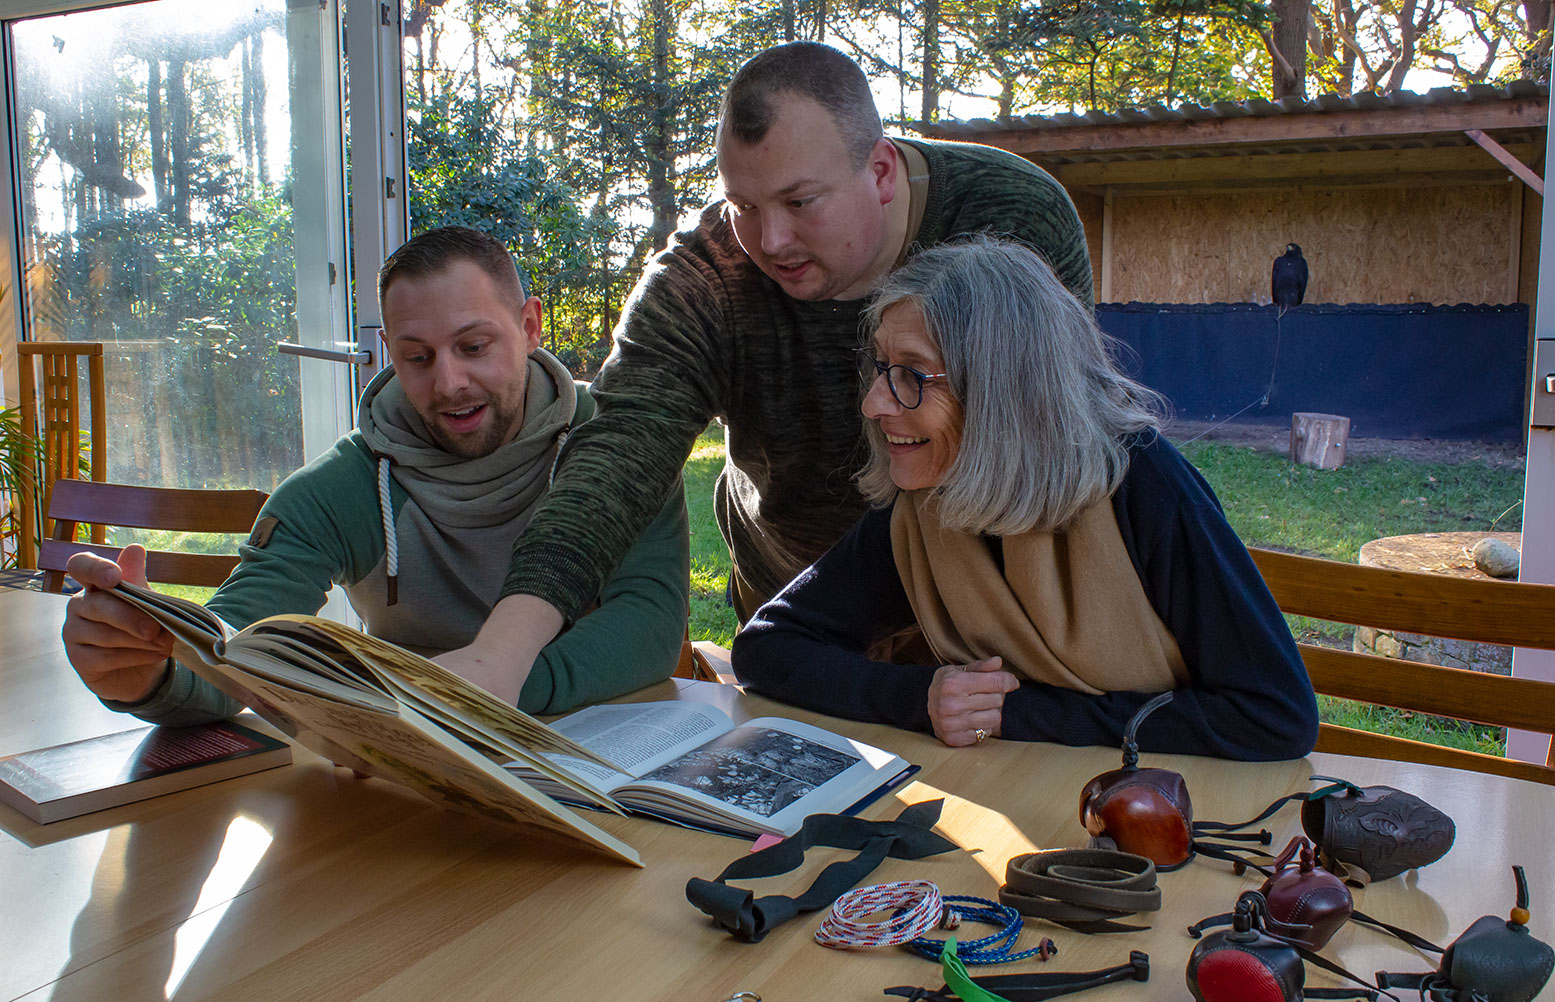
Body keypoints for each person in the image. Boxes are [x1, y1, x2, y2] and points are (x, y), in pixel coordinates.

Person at [438, 40, 1094, 702]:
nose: (769, 241)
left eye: (800, 201)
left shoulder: (1011, 222)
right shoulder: (703, 280)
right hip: (794, 621)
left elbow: (1055, 439)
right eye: (742, 205)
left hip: (983, 624)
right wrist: (500, 656)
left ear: (883, 171)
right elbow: (616, 458)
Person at [62, 226, 689, 722]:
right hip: (419, 769)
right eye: (418, 357)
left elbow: (651, 623)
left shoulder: (618, 447)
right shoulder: (343, 488)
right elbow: (241, 641)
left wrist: (486, 692)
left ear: (529, 326)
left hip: (606, 751)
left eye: (474, 347)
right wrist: (154, 670)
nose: (449, 382)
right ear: (390, 351)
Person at [730, 237, 1318, 762]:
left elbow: (1274, 717)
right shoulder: (925, 499)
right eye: (881, 367)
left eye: (913, 374)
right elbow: (767, 648)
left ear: (1002, 388)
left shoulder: (1142, 483)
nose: (875, 403)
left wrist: (1014, 714)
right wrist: (921, 697)